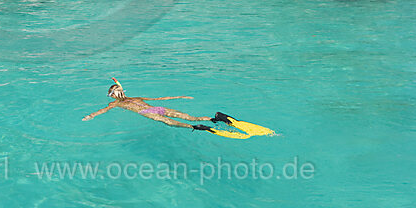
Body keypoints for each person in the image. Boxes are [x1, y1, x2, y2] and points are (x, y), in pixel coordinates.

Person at [81, 78, 274, 139]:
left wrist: (90, 116)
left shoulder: (115, 104)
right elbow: (159, 98)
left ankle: (199, 127)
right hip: (157, 107)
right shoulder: (136, 97)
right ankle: (214, 118)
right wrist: (180, 96)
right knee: (190, 116)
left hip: (149, 112)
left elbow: (102, 111)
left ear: (113, 95)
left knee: (173, 123)